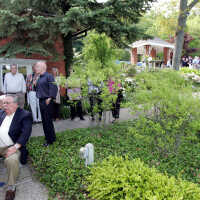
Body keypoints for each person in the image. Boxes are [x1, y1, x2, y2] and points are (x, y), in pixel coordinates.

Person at [0, 94, 32, 200]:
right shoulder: (1, 113)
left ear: (15, 105)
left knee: (11, 160)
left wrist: (15, 147)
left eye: (7, 103)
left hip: (12, 146)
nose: (4, 105)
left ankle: (11, 188)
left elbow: (25, 133)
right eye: (3, 103)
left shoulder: (24, 115)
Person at [35, 61, 58, 146]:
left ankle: (49, 141)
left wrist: (50, 97)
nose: (35, 68)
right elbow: (38, 89)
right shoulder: (39, 77)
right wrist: (35, 83)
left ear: (43, 67)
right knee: (44, 121)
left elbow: (54, 87)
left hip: (47, 101)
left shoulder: (49, 76)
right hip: (41, 100)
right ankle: (51, 137)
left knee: (47, 121)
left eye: (37, 67)